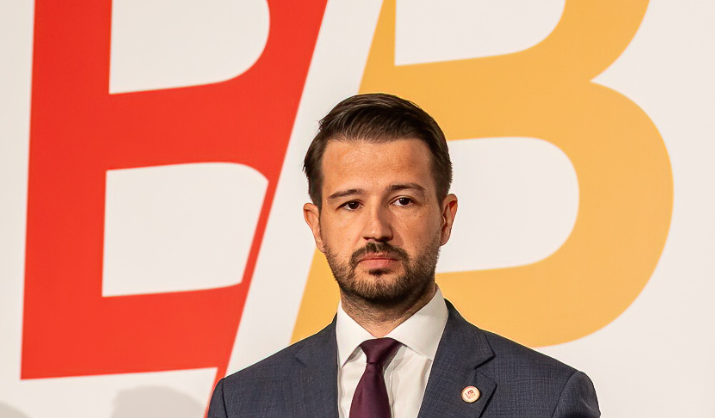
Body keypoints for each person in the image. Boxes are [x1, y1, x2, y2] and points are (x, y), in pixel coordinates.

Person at [208, 93, 600, 417]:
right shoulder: (243, 402)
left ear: (445, 218)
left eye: (402, 201)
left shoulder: (548, 398)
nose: (376, 229)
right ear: (316, 226)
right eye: (350, 204)